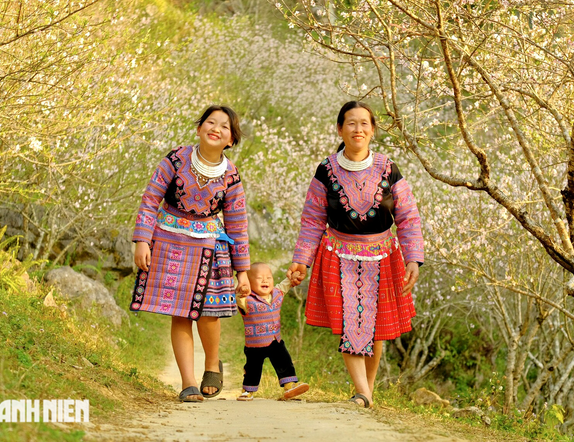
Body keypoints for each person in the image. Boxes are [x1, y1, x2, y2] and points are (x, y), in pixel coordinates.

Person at [287, 101, 424, 408]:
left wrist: (413, 258)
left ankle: (365, 393)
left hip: (384, 256)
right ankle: (361, 391)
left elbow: (408, 216)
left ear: (372, 130)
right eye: (351, 123)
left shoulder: (389, 169)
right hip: (338, 255)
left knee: (375, 328)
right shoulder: (325, 170)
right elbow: (312, 219)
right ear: (340, 129)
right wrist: (301, 260)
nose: (358, 129)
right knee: (351, 321)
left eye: (364, 123)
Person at [131, 105, 251, 402]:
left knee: (209, 313)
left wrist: (243, 271)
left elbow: (238, 224)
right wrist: (142, 240)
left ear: (231, 140)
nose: (216, 128)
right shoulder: (175, 159)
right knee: (180, 313)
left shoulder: (231, 175)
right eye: (210, 122)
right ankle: (187, 383)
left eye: (225, 127)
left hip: (210, 247)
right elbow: (150, 200)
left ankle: (212, 363)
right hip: (170, 241)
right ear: (199, 129)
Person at [235, 262, 309, 401]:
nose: (265, 280)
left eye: (269, 277)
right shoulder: (247, 300)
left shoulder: (276, 293)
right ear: (249, 283)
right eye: (259, 278)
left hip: (275, 340)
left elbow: (285, 284)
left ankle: (290, 386)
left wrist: (293, 276)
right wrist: (242, 290)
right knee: (253, 368)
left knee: (284, 361)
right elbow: (239, 298)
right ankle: (247, 390)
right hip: (255, 345)